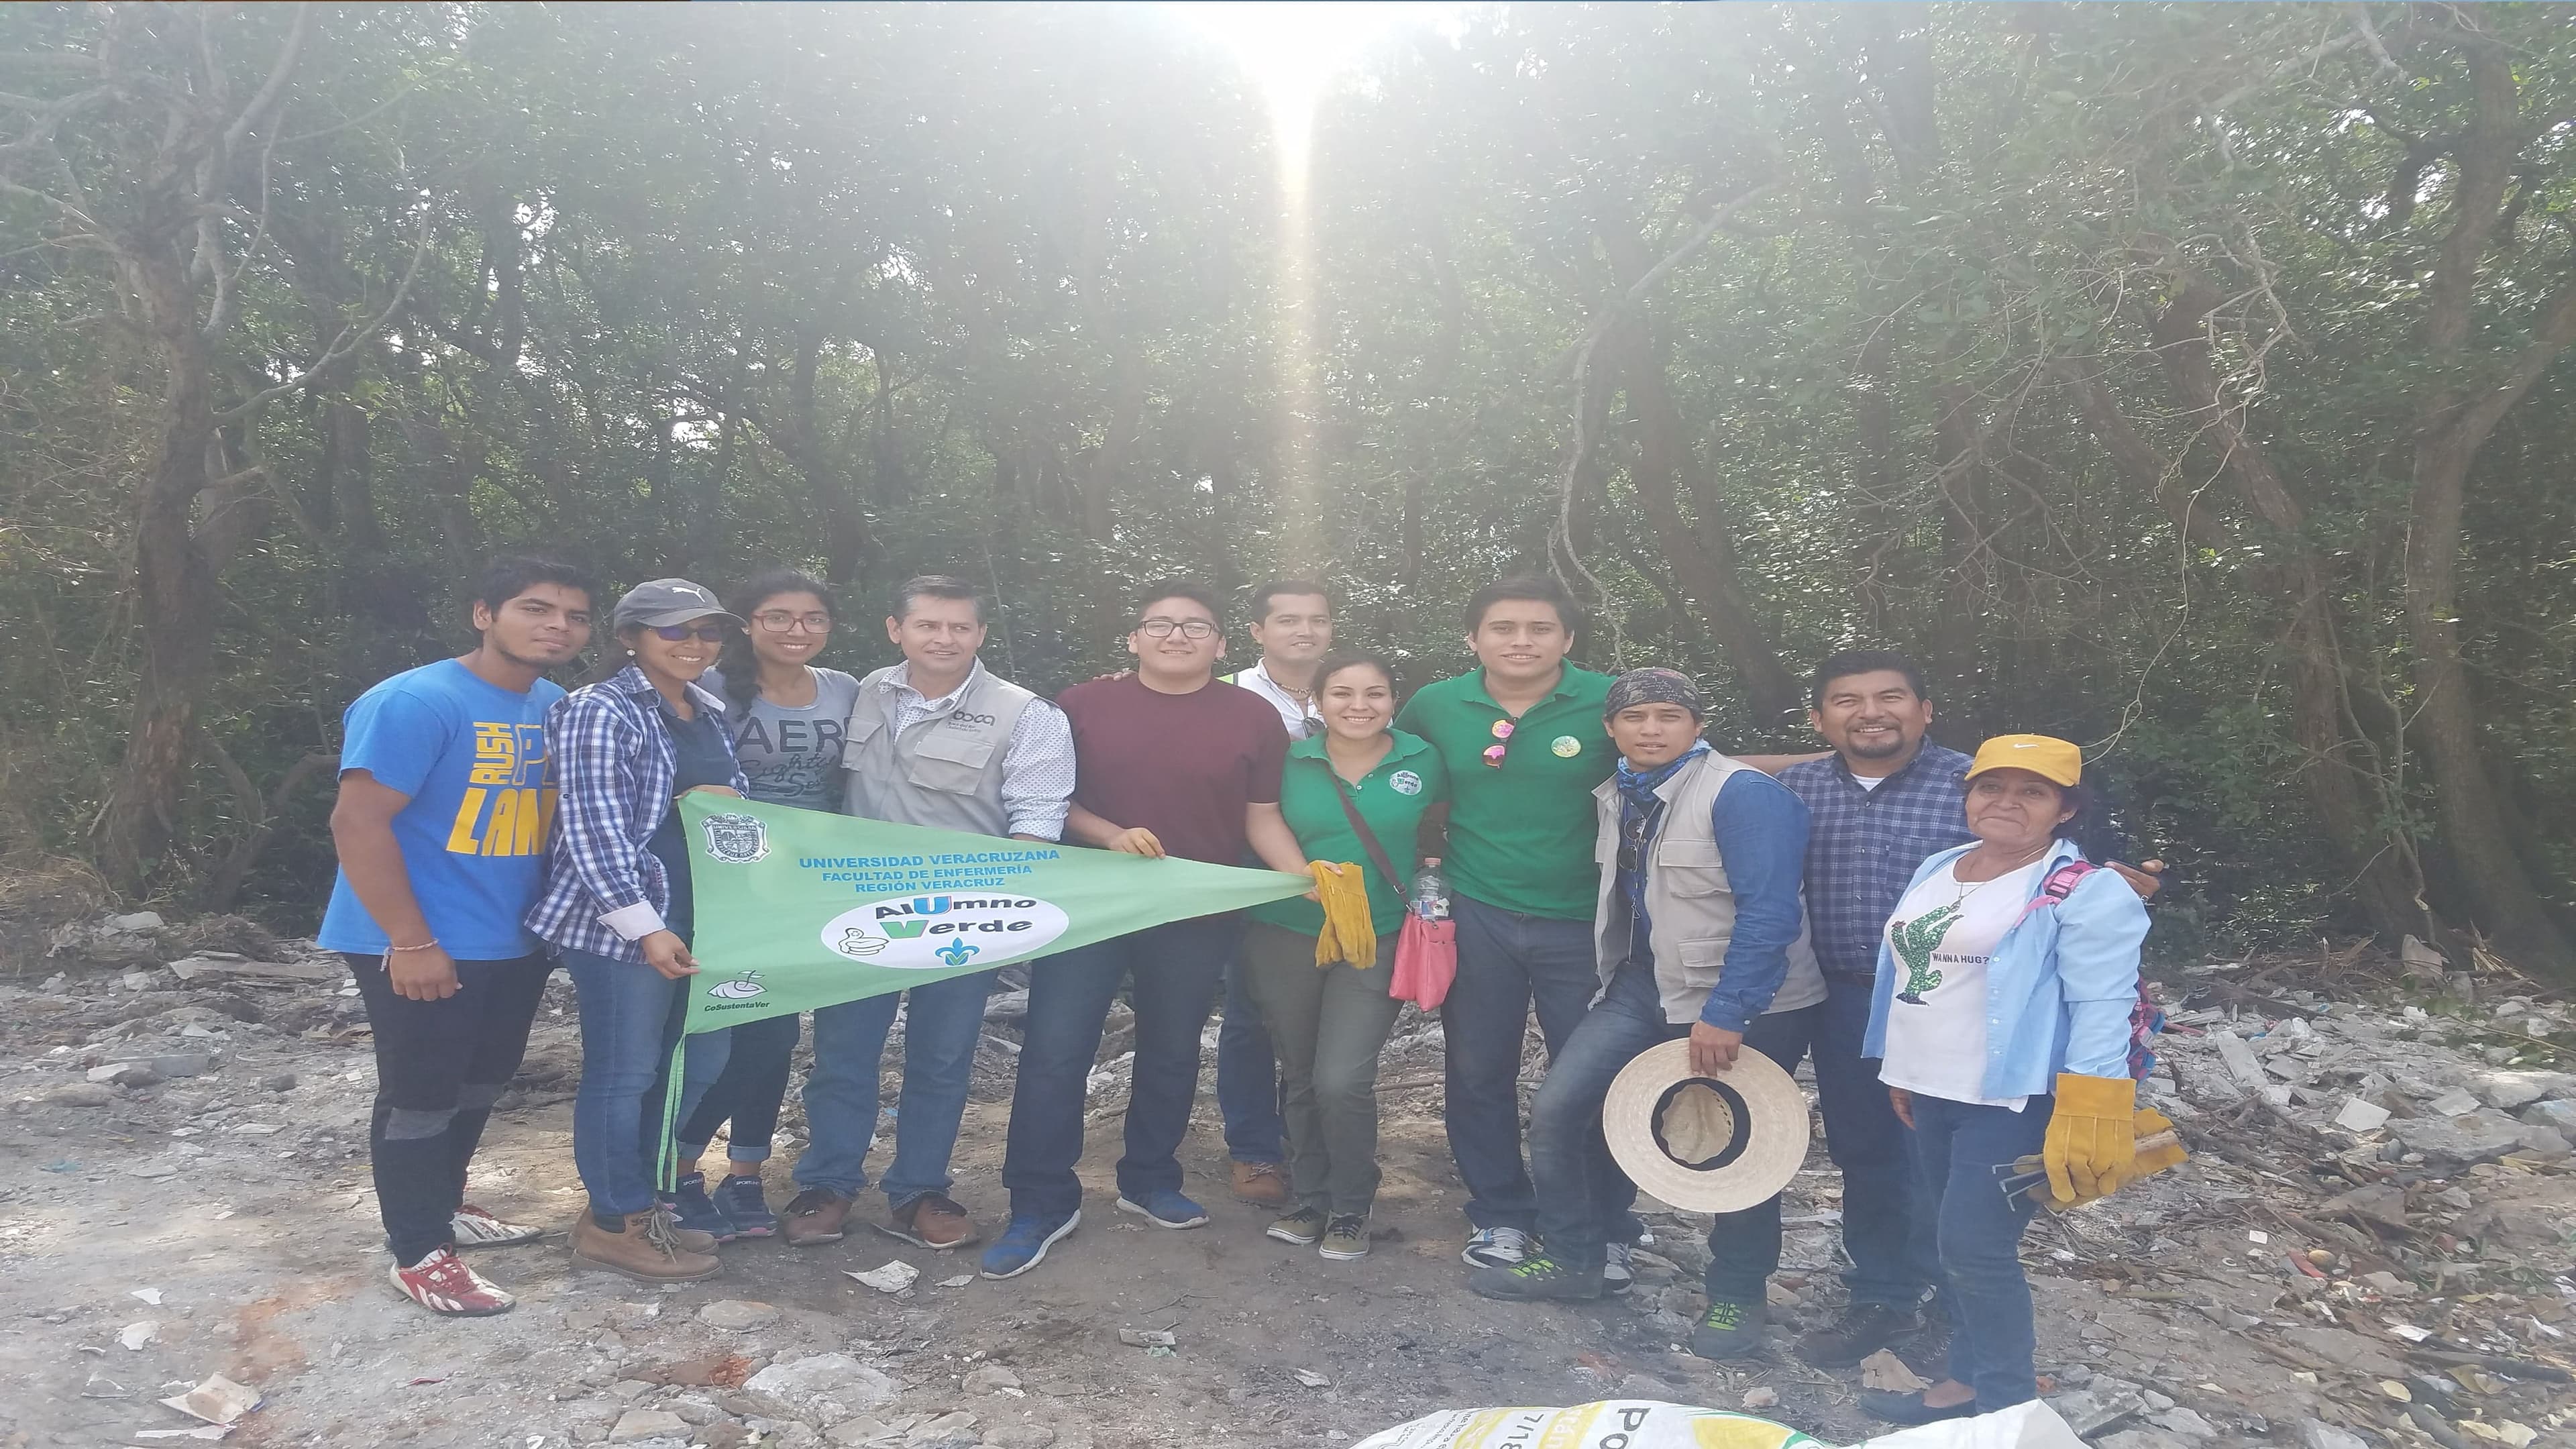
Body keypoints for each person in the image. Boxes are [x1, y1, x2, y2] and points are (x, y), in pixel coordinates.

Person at [1772, 652, 2159, 1366]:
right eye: (1847, 700)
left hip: (1987, 1018)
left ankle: (1959, 1317)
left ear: (1925, 711)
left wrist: (2098, 1088)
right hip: (1856, 1001)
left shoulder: (1976, 782)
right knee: (1868, 1157)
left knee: (1950, 1174)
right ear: (1818, 718)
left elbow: (2074, 878)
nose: (1871, 712)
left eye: (1891, 696)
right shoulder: (1793, 789)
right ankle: (1881, 1298)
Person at [1466, 668, 1823, 1367]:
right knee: (1561, 1107)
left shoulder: (1742, 796)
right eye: (1636, 717)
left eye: (1669, 715)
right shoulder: (1622, 792)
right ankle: (1575, 1257)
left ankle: (1738, 1290)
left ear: (1697, 723)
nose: (1651, 729)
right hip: (1645, 984)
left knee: (1742, 1148)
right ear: (1611, 729)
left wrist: (1729, 1011)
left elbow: (1771, 912)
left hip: (1747, 1000)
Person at [981, 580, 1307, 1279]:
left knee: (1171, 1047)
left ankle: (1150, 1178)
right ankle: (1040, 1202)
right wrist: (1110, 833)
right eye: (1161, 624)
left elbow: (1262, 816)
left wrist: (1305, 880)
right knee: (1056, 1048)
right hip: (1089, 900)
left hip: (1192, 906)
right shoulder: (1079, 705)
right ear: (1132, 639)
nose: (1177, 635)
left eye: (1196, 625)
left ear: (1222, 643)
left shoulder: (1253, 718)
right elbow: (1047, 799)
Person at [319, 556, 596, 1316]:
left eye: (573, 616)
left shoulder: (554, 703)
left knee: (482, 1081)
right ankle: (417, 1251)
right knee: (420, 1093)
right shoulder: (416, 701)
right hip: (417, 936)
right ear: (485, 613)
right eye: (536, 609)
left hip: (512, 936)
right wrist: (410, 941)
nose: (556, 626)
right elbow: (358, 822)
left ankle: (442, 1208)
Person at [1857, 735, 2157, 1424]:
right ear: (1968, 796)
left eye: (2033, 792)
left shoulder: (2087, 889)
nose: (2007, 803)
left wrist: (2097, 1101)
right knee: (1945, 1236)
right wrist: (1899, 1066)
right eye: (1992, 787)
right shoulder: (1941, 865)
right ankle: (1967, 1379)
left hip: (2013, 1098)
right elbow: (1912, 974)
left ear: (2065, 810)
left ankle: (2006, 1406)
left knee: (1975, 1246)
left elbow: (2102, 1003)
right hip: (1928, 1089)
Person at [780, 575, 1075, 1253]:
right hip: (857, 909)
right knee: (843, 1053)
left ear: (979, 635)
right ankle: (828, 1183)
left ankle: (919, 1191)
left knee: (942, 1058)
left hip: (960, 915)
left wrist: (1008, 904)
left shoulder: (1025, 712)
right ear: (897, 630)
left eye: (959, 628)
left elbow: (1037, 815)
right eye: (928, 626)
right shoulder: (860, 692)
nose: (944, 639)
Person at [527, 578, 750, 1283]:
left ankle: (646, 1204)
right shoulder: (598, 711)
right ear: (629, 638)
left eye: (708, 632)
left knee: (698, 1064)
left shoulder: (707, 712)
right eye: (674, 631)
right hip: (629, 927)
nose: (695, 645)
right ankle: (612, 1218)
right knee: (625, 1074)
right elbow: (592, 834)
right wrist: (646, 929)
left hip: (713, 917)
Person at [1391, 576, 1616, 1273]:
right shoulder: (1435, 705)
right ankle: (1500, 1217)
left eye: (1540, 628)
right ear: (1473, 638)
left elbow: (1685, 765)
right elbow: (1391, 770)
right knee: (1476, 1069)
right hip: (1478, 910)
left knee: (1590, 1076)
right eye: (1504, 628)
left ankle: (1600, 1226)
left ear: (1568, 639)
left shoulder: (1608, 699)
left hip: (1584, 918)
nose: (1522, 641)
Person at [666, 570, 862, 1243]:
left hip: (817, 886)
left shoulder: (845, 689)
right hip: (728, 891)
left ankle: (745, 1174)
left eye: (812, 618)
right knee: (731, 1032)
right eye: (779, 616)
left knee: (776, 1037)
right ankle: (679, 1167)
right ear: (748, 624)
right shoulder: (708, 688)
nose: (796, 630)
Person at [1240, 651, 1446, 1262]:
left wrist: (1434, 900)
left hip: (1377, 934)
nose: (1359, 706)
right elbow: (1260, 817)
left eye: (1375, 694)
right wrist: (1302, 876)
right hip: (1287, 930)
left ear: (1392, 700)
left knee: (1342, 1077)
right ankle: (1309, 1197)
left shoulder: (1422, 759)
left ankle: (1353, 1204)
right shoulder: (1289, 758)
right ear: (1317, 702)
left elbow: (1438, 833)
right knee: (1301, 1073)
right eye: (1343, 694)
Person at [1214, 578, 1334, 1208]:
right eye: (1288, 619)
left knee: (1324, 1011)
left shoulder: (1351, 689)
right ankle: (1255, 1148)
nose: (1304, 630)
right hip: (1249, 867)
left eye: (1316, 619)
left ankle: (1316, 1138)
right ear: (1258, 632)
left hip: (1339, 871)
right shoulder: (1226, 695)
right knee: (1251, 1012)